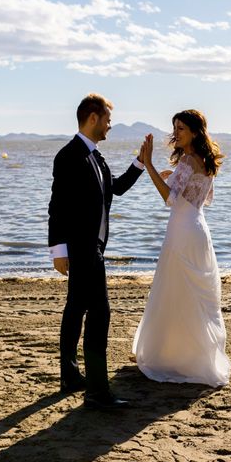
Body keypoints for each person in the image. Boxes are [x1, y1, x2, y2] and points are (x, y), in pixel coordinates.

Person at [48, 93, 144, 409]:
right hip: (82, 249)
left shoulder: (97, 157)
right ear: (93, 118)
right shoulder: (69, 155)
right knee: (100, 313)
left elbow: (113, 188)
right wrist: (58, 251)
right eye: (107, 120)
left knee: (76, 307)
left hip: (94, 247)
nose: (109, 126)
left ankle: (71, 377)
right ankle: (97, 392)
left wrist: (140, 163)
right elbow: (57, 207)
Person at [132, 109, 231, 387]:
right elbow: (202, 196)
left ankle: (168, 356)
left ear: (196, 132)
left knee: (174, 291)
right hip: (198, 230)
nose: (176, 133)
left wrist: (149, 165)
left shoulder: (188, 159)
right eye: (174, 128)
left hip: (181, 231)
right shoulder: (205, 161)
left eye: (182, 129)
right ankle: (194, 356)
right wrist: (174, 174)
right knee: (192, 296)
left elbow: (170, 199)